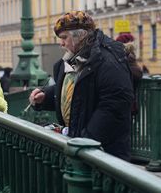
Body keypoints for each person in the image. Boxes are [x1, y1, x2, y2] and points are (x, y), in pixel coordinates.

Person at [29, 11, 134, 161]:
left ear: (80, 36)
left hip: (104, 153)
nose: (61, 43)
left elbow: (114, 105)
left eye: (64, 38)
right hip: (81, 147)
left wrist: (85, 140)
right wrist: (45, 96)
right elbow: (75, 94)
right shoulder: (76, 58)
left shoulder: (107, 60)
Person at [115, 33, 143, 115]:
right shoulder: (128, 58)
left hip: (122, 103)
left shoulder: (123, 58)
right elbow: (137, 72)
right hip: (126, 102)